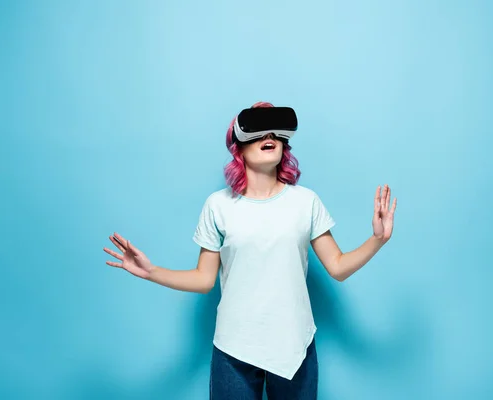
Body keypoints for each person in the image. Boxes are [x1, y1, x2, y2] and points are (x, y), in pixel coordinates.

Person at [103, 101, 397, 399]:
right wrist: (150, 272)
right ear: (238, 148)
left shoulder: (306, 202)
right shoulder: (218, 206)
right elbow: (204, 279)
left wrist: (377, 240)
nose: (267, 135)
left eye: (274, 131)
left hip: (295, 347)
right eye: (256, 131)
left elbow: (337, 266)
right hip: (235, 350)